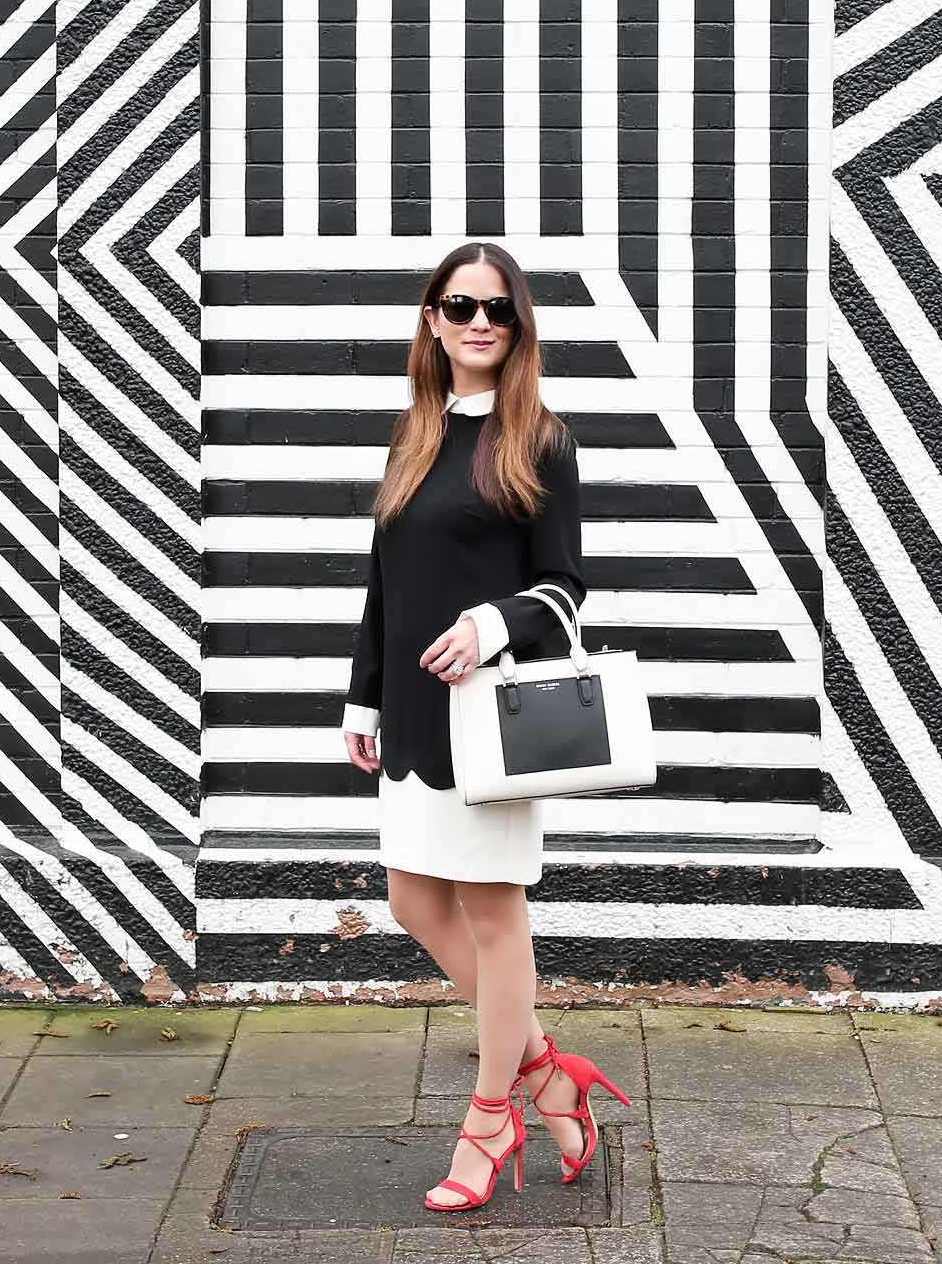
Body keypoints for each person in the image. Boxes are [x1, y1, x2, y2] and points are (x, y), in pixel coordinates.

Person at [341, 240, 632, 1212]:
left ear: (517, 328)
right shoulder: (412, 435)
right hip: (415, 716)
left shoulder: (539, 437)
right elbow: (385, 582)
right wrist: (363, 694)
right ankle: (549, 1071)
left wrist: (490, 622)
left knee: (496, 920)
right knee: (411, 903)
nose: (478, 322)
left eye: (497, 310)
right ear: (432, 320)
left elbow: (565, 591)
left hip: (491, 722)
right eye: (460, 305)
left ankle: (488, 1117)